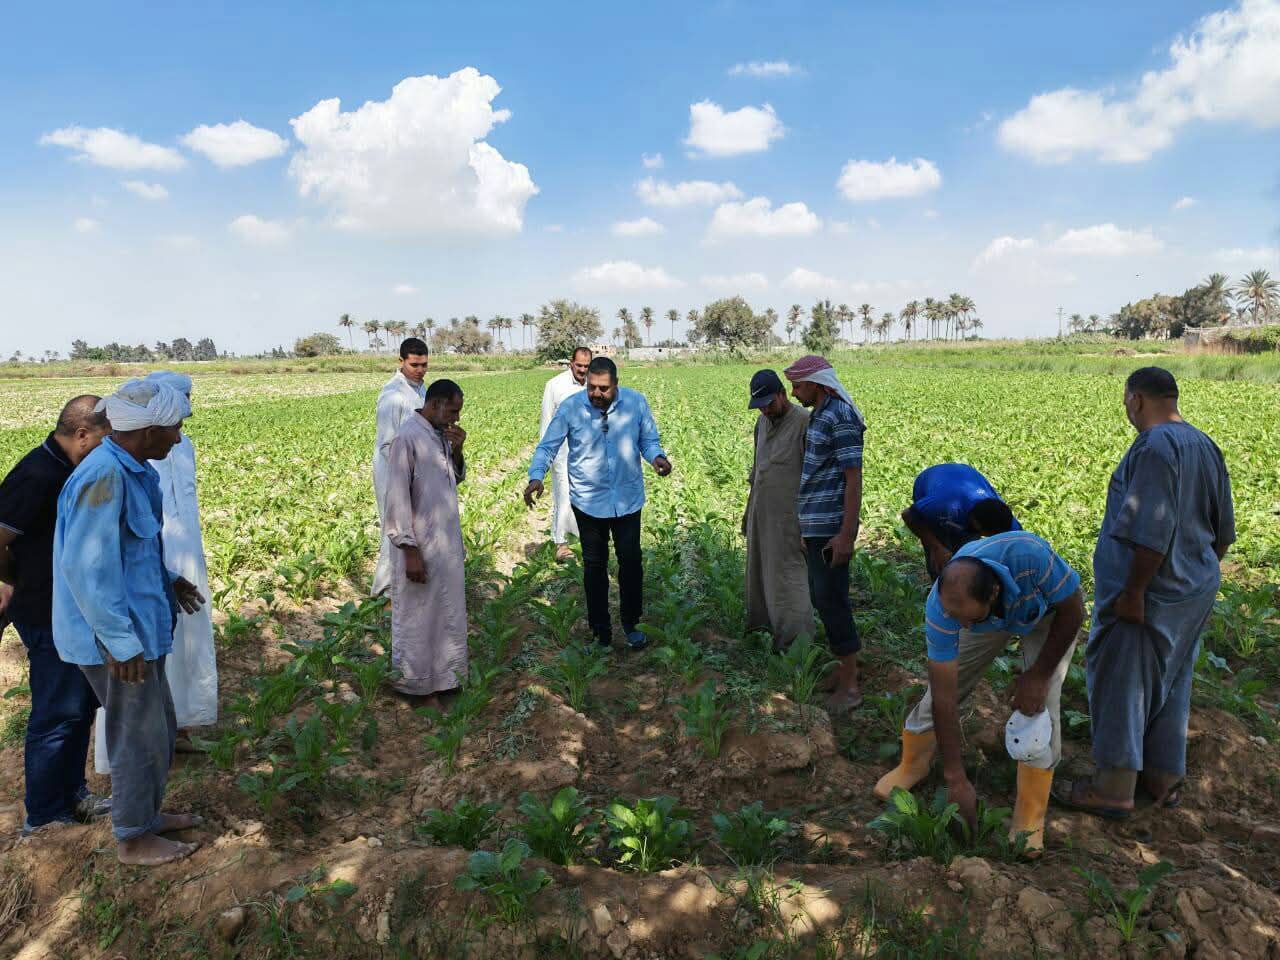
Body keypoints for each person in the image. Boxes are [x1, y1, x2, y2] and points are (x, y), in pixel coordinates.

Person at [1057, 367, 1235, 818]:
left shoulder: (1154, 447)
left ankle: (1113, 789)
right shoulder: (1203, 443)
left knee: (1122, 681)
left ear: (1136, 400)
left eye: (1125, 402)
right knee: (1173, 680)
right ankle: (1163, 779)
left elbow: (1151, 530)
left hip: (1149, 592)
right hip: (1193, 587)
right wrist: (1195, 572)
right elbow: (1223, 533)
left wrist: (1134, 590)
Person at [53, 379, 206, 865]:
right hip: (114, 639)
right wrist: (119, 642)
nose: (178, 439)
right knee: (134, 733)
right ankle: (133, 837)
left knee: (158, 725)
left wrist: (167, 581)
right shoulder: (104, 476)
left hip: (139, 627)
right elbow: (87, 568)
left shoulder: (135, 469)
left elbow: (131, 551)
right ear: (146, 431)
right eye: (174, 429)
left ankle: (147, 815)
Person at [873, 531, 1085, 855]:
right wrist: (955, 777)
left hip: (1049, 612)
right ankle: (913, 764)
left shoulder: (1031, 558)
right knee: (937, 695)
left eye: (967, 619)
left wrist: (1038, 675)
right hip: (991, 615)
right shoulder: (944, 608)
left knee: (1040, 707)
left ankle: (1029, 818)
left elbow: (1074, 612)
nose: (963, 629)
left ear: (993, 593)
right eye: (956, 619)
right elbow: (945, 695)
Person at [93, 372, 217, 772]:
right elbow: (91, 564)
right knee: (134, 683)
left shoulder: (175, 448)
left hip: (175, 565)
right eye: (176, 418)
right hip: (143, 578)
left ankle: (175, 732)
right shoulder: (116, 467)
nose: (180, 430)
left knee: (176, 654)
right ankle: (128, 777)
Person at [0, 396, 111, 837]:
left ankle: (73, 794)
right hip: (44, 612)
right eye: (104, 438)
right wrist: (16, 581)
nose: (110, 447)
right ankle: (44, 817)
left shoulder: (70, 468)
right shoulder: (38, 475)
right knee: (56, 712)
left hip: (68, 609)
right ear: (82, 434)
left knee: (79, 707)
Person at [524, 357, 672, 650]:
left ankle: (632, 624)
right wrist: (536, 476)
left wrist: (657, 458)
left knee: (630, 563)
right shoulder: (571, 408)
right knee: (594, 566)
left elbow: (648, 440)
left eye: (603, 389)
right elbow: (548, 446)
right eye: (592, 387)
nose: (596, 394)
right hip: (588, 500)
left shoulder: (635, 403)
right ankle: (600, 631)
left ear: (616, 384)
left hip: (628, 500)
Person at [783, 355, 866, 712]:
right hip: (817, 526)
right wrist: (806, 528)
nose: (794, 392)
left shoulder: (840, 417)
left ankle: (850, 686)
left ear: (817, 384)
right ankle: (840, 672)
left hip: (832, 526)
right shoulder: (821, 414)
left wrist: (846, 534)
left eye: (798, 386)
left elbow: (852, 478)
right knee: (822, 598)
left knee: (833, 602)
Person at [384, 379, 469, 703]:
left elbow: (452, 477)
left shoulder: (439, 434)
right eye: (453, 411)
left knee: (447, 613)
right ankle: (415, 687)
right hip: (419, 544)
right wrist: (409, 549)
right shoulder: (407, 437)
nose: (456, 419)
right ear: (435, 404)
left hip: (444, 543)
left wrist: (458, 449)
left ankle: (446, 679)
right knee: (418, 616)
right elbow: (396, 497)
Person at [742, 369, 814, 651]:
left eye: (770, 403)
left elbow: (815, 479)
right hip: (761, 514)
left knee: (788, 580)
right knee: (760, 574)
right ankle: (764, 630)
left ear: (783, 394)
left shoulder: (805, 423)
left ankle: (797, 646)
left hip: (790, 520)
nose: (765, 410)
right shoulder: (761, 423)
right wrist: (749, 512)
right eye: (760, 405)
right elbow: (757, 471)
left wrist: (808, 526)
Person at [372, 338, 430, 595]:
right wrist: (405, 473)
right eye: (414, 364)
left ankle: (404, 586)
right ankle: (384, 591)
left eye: (424, 365)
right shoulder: (392, 396)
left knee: (412, 526)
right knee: (394, 526)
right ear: (401, 361)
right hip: (393, 470)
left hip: (416, 470)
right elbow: (387, 444)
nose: (420, 370)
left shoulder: (421, 389)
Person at [902, 463, 1020, 579]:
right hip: (930, 481)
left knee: (966, 553)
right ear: (976, 524)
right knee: (940, 558)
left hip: (964, 477)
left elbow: (1020, 544)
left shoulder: (1008, 523)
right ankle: (939, 586)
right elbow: (909, 515)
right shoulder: (940, 505)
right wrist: (936, 547)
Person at [540, 347, 592, 562]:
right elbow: (546, 422)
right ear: (571, 363)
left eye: (586, 366)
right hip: (562, 452)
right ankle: (562, 544)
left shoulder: (594, 384)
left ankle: (586, 540)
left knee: (588, 495)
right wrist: (545, 457)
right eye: (578, 365)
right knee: (563, 495)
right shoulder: (555, 385)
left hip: (589, 451)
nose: (582, 370)